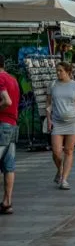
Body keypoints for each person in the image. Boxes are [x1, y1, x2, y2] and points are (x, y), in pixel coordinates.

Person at [46, 61, 75, 190]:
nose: (58, 73)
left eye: (60, 71)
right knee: (56, 152)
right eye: (57, 70)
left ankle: (64, 179)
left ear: (68, 72)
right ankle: (60, 168)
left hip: (72, 122)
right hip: (57, 122)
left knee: (68, 151)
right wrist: (48, 120)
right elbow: (48, 105)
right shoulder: (52, 85)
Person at [0, 55, 20, 214]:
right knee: (9, 166)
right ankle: (7, 202)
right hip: (12, 125)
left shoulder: (0, 78)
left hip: (2, 124)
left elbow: (7, 101)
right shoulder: (12, 79)